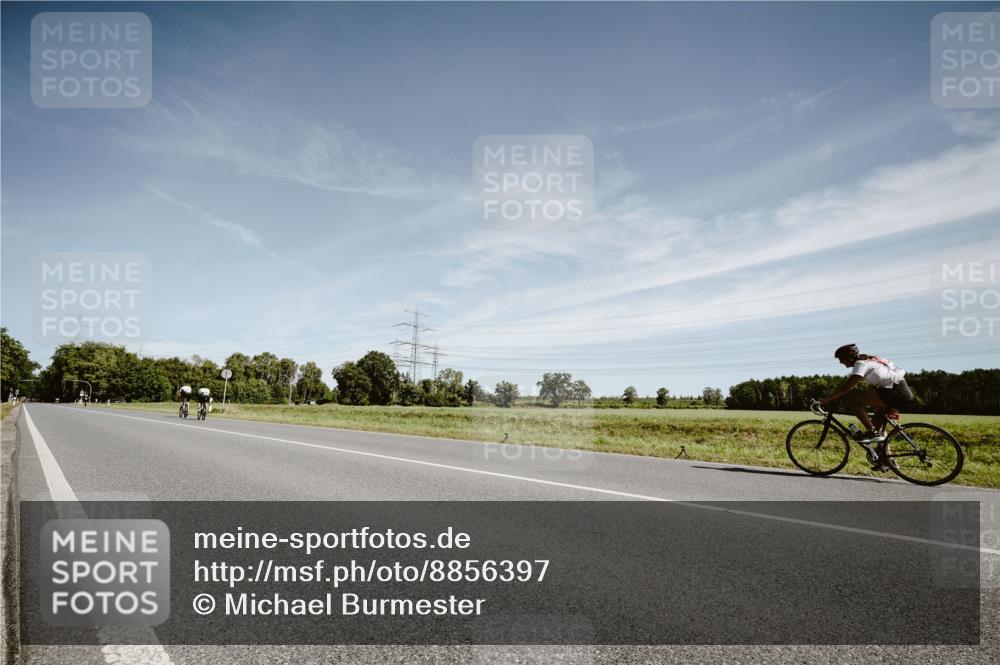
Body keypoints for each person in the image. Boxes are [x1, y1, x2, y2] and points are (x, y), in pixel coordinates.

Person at [819, 344, 914, 447]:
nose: (841, 362)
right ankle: (886, 460)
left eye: (842, 359)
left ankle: (871, 431)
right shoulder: (871, 360)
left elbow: (846, 388)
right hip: (901, 391)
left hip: (894, 392)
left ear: (850, 358)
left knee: (851, 399)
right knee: (877, 425)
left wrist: (826, 400)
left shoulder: (861, 364)